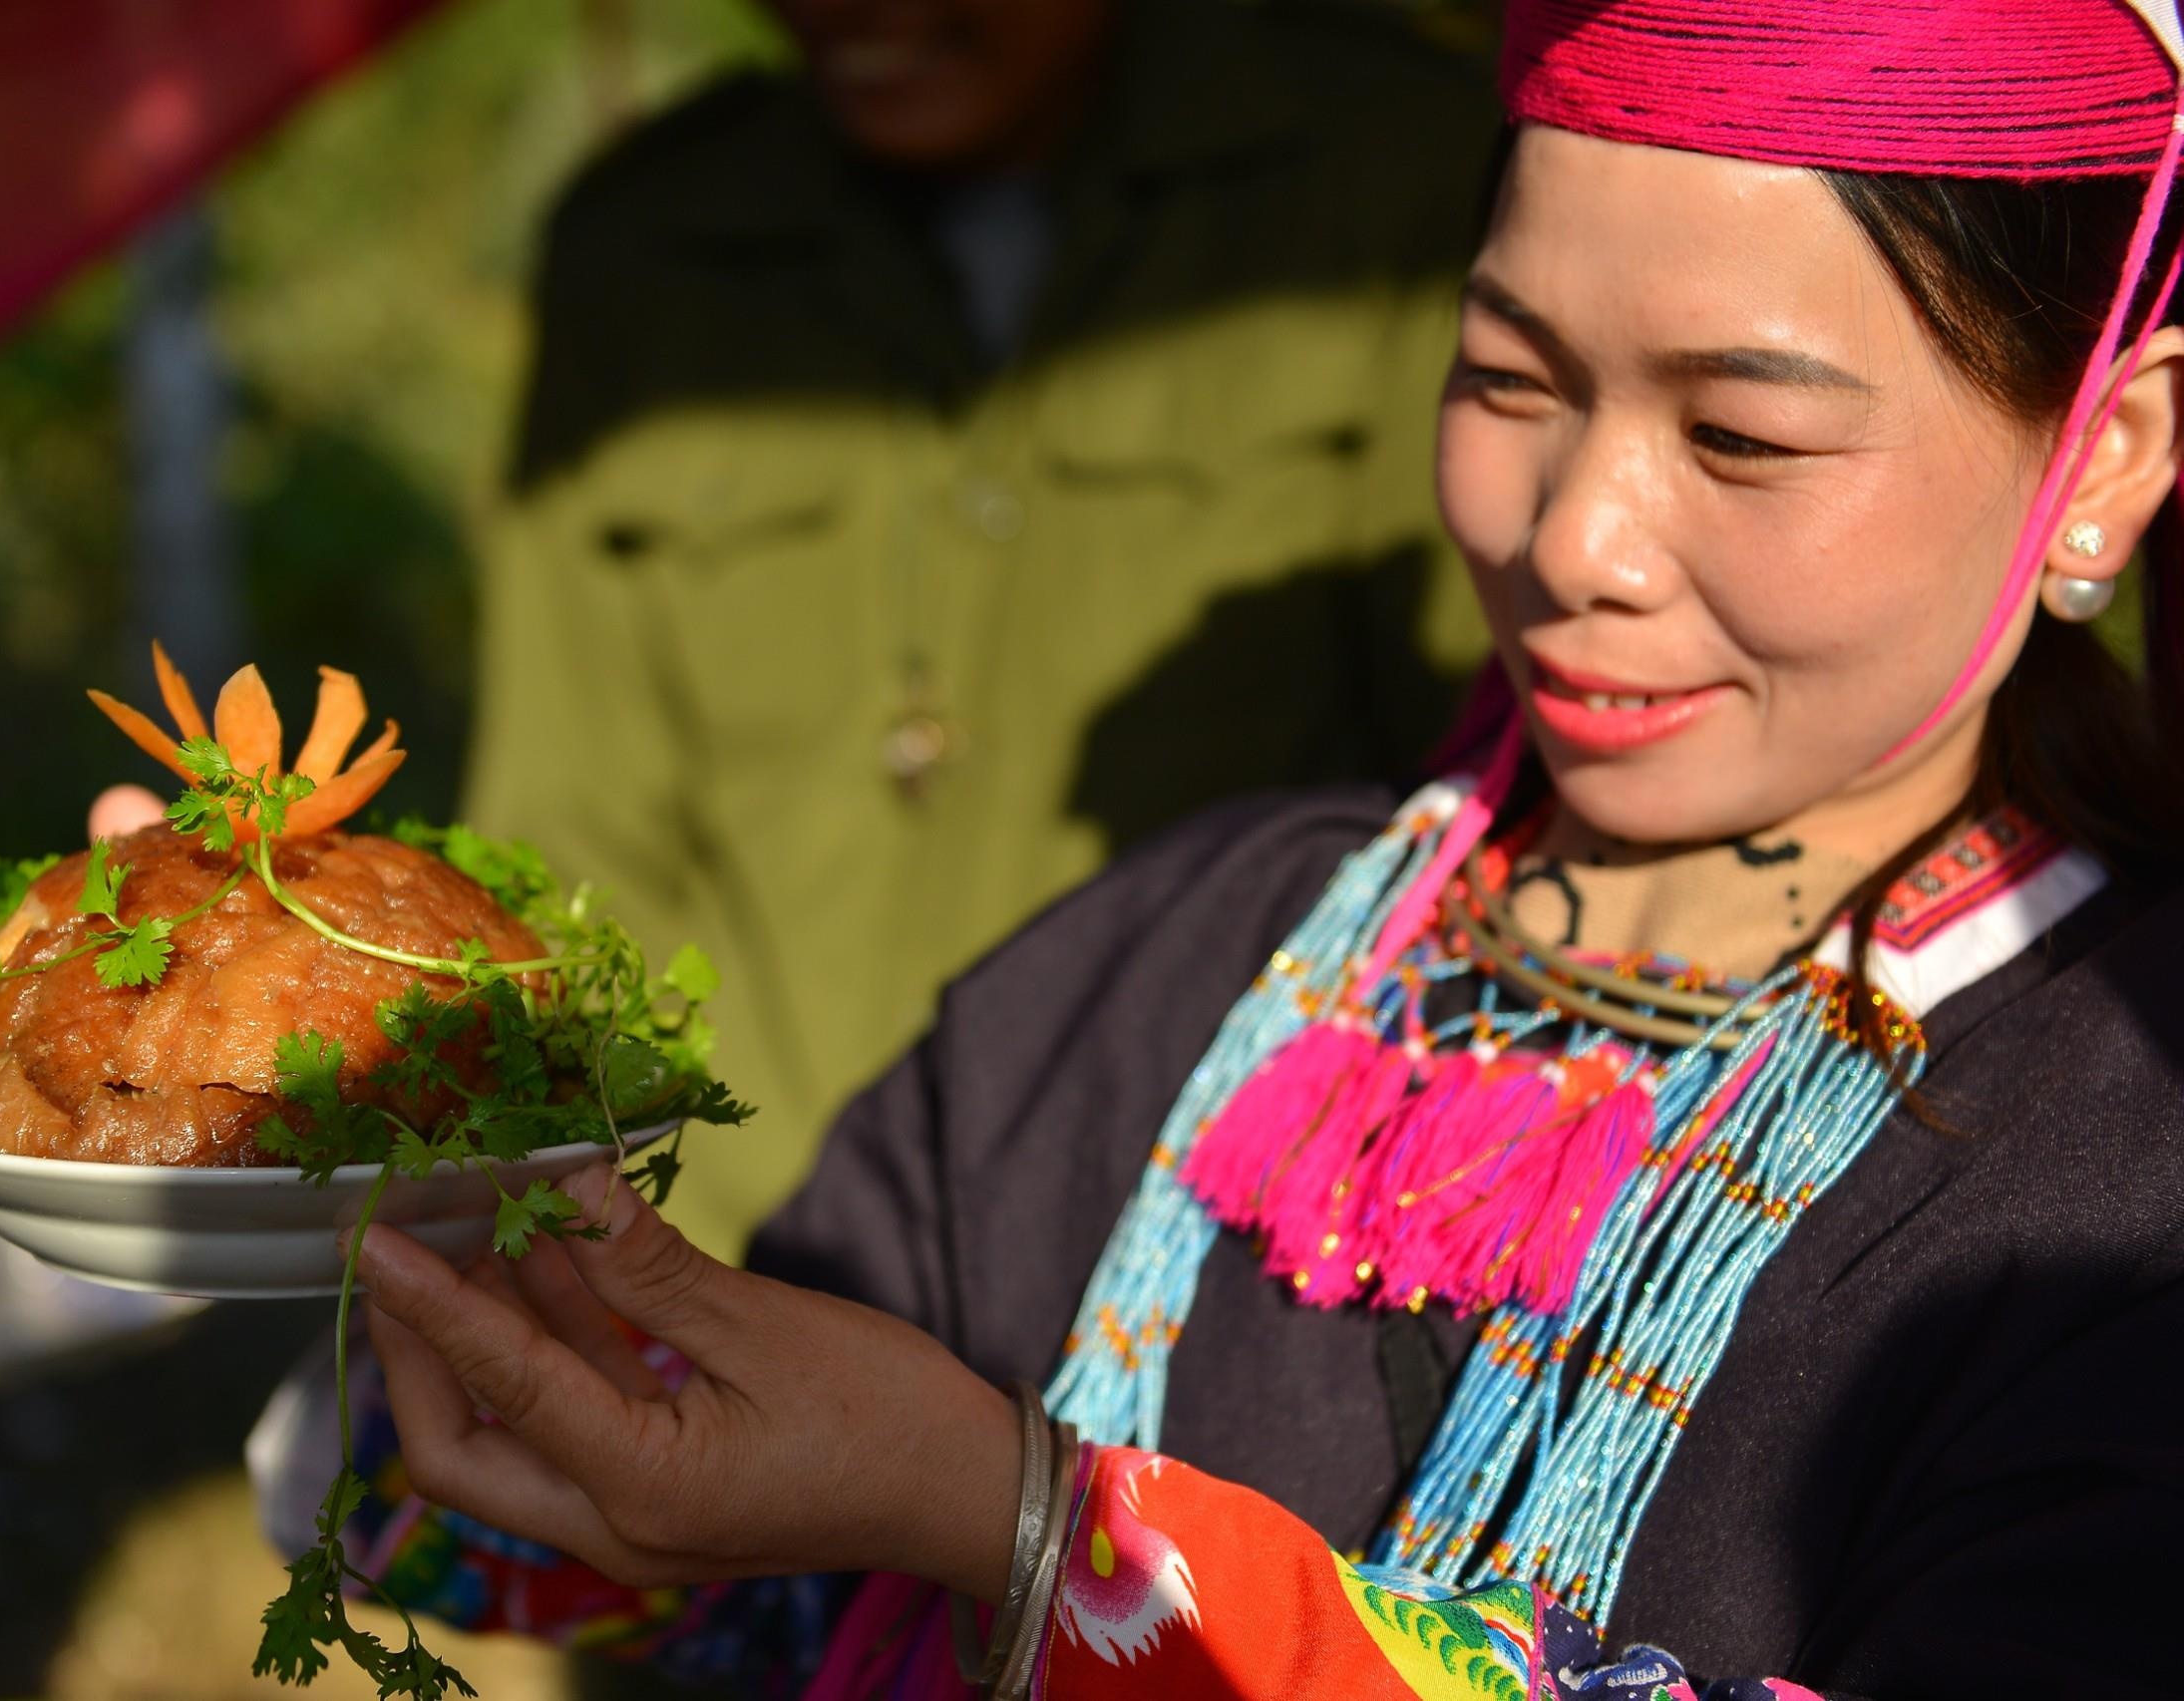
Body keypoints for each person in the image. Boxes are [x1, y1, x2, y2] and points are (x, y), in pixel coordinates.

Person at [257, 0, 2184, 1694]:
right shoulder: (1176, 957)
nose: (1573, 537)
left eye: (1746, 439)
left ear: (2104, 451)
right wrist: (398, 1168)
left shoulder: (2124, 1159)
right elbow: (738, 1553)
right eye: (1509, 380)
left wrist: (1025, 1524)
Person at [466, 0, 1500, 1260]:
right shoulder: (642, 240)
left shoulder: (1396, 168)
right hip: (743, 1283)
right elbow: (563, 849)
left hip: (1220, 1261)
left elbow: (1486, 787)